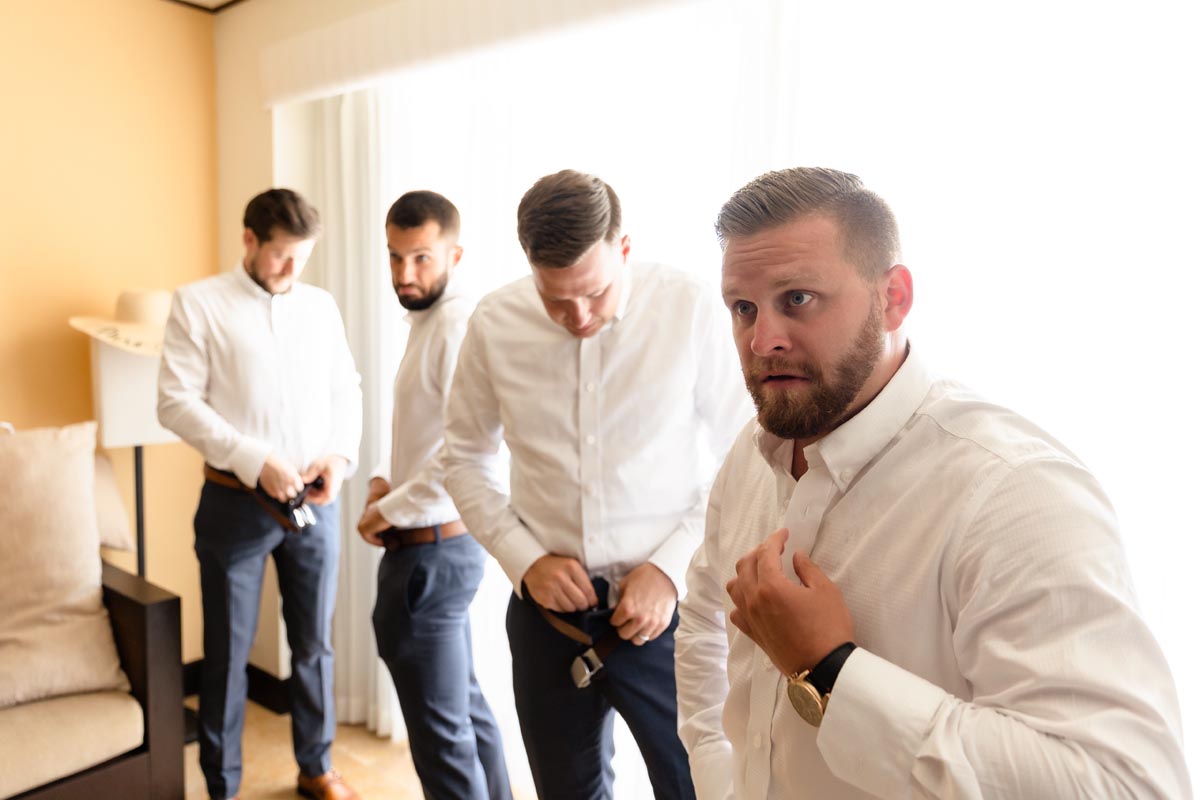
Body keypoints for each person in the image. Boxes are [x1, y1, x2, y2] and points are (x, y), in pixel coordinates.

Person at [675, 167, 1191, 799]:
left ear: (893, 297)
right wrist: (715, 774)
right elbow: (701, 617)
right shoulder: (749, 455)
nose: (763, 341)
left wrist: (830, 670)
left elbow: (1124, 784)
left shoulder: (1012, 491)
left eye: (798, 299)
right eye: (743, 308)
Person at [443, 169, 751, 799]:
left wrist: (669, 569)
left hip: (672, 618)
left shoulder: (689, 308)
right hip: (547, 622)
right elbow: (464, 460)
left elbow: (744, 458)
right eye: (555, 300)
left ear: (625, 248)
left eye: (595, 292)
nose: (578, 316)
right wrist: (524, 559)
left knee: (694, 787)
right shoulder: (494, 323)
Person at [158, 188, 363, 800]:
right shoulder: (198, 303)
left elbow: (346, 389)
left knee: (315, 643)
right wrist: (255, 460)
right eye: (280, 254)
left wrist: (339, 457)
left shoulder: (320, 306)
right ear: (249, 240)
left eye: (302, 256)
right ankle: (221, 786)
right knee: (226, 653)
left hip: (315, 504)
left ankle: (316, 766)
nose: (292, 269)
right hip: (235, 505)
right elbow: (174, 402)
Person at [356, 191, 511, 800]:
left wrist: (385, 511)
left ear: (455, 254)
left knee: (443, 738)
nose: (404, 273)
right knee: (464, 713)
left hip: (432, 551)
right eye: (395, 257)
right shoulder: (427, 323)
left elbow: (462, 453)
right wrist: (381, 477)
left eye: (421, 257)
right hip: (437, 547)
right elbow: (419, 434)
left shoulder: (454, 327)